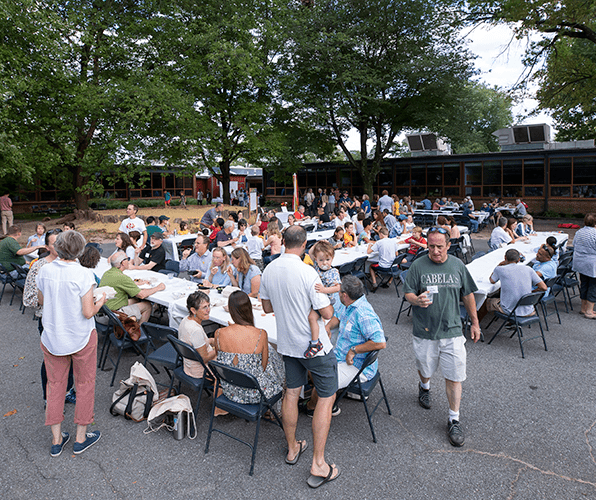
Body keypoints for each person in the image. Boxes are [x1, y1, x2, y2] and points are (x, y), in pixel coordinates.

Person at [259, 226, 339, 487]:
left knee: (291, 394)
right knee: (327, 397)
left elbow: (267, 307)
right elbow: (327, 314)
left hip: (287, 343)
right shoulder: (307, 271)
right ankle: (318, 461)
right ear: (304, 245)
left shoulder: (269, 269)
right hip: (313, 346)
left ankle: (293, 447)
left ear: (283, 242)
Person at [403, 226, 481, 447]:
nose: (435, 251)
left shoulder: (458, 266)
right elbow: (408, 292)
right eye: (431, 246)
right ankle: (424, 386)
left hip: (452, 330)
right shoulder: (418, 265)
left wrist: (475, 323)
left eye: (439, 246)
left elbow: (467, 295)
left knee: (454, 375)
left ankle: (453, 419)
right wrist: (416, 300)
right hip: (424, 330)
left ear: (448, 245)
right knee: (425, 367)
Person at [36, 230, 107, 457]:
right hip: (80, 336)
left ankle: (57, 439)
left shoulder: (44, 270)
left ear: (58, 247)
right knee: (85, 384)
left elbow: (41, 300)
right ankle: (80, 437)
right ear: (79, 250)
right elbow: (88, 313)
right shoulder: (83, 274)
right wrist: (101, 301)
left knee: (55, 386)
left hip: (53, 335)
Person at [305, 276, 386, 415]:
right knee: (311, 365)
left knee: (323, 380)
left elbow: (380, 342)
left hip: (357, 366)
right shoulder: (350, 304)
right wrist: (329, 326)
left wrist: (354, 350)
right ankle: (328, 396)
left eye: (339, 291)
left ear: (345, 295)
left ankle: (311, 407)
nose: (337, 292)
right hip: (341, 356)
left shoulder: (363, 313)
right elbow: (339, 316)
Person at [23, 229, 76, 406]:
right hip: (49, 322)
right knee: (52, 362)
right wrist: (52, 298)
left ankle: (67, 391)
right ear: (47, 246)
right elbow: (28, 299)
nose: (60, 246)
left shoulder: (71, 264)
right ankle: (49, 398)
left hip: (70, 320)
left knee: (70, 358)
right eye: (55, 243)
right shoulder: (39, 266)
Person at [215, 291, 284, 404]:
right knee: (276, 363)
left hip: (229, 390)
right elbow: (263, 366)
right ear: (249, 309)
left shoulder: (219, 333)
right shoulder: (260, 334)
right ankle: (276, 410)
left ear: (231, 310)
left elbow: (220, 358)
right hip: (256, 394)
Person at [99, 251, 165, 323]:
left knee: (135, 300)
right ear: (123, 263)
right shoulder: (122, 277)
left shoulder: (107, 273)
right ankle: (138, 330)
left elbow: (120, 283)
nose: (129, 261)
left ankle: (135, 320)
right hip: (112, 316)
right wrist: (158, 288)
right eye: (128, 259)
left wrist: (139, 283)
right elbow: (142, 295)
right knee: (148, 305)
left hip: (103, 312)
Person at [305, 241, 341, 359]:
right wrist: (320, 243)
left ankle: (315, 344)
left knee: (312, 318)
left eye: (327, 260)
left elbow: (338, 287)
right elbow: (310, 251)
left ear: (332, 258)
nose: (324, 263)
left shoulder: (333, 272)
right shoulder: (316, 267)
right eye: (321, 260)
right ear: (316, 259)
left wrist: (324, 289)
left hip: (326, 302)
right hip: (314, 299)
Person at [489, 248, 547, 316]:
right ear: (519, 260)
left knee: (487, 302)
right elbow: (544, 287)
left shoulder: (500, 269)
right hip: (529, 310)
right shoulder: (528, 269)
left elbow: (492, 281)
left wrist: (499, 264)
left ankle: (477, 325)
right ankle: (513, 323)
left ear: (505, 258)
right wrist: (530, 294)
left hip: (510, 310)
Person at [178, 291, 217, 378]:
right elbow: (205, 358)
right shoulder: (195, 330)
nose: (208, 310)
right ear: (193, 310)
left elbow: (197, 342)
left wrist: (212, 340)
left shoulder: (185, 320)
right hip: (201, 370)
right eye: (204, 307)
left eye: (209, 306)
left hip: (189, 366)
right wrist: (220, 348)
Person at [573, 213, 596, 319]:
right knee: (593, 285)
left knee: (584, 283)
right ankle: (589, 311)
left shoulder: (579, 232)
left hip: (580, 261)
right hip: (592, 262)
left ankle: (583, 308)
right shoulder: (595, 233)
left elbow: (574, 244)